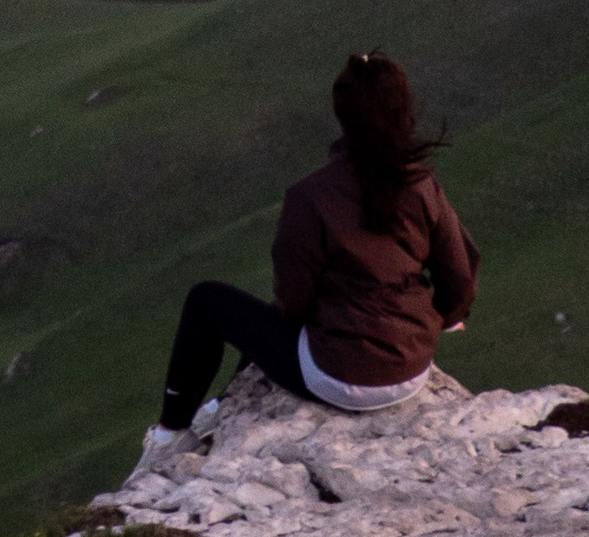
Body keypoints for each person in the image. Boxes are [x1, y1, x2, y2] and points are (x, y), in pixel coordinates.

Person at [144, 52, 477, 452]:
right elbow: (459, 279)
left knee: (206, 300)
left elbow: (293, 301)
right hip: (412, 368)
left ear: (342, 116)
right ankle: (222, 404)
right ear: (403, 112)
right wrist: (437, 320)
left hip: (336, 376)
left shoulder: (311, 196)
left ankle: (170, 435)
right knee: (268, 322)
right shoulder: (422, 185)